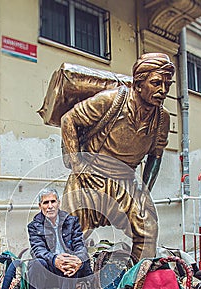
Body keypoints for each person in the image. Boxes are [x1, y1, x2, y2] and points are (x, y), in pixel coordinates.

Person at [61, 53, 175, 262]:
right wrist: (78, 166)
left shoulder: (162, 119)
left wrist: (144, 190)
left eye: (168, 85)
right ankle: (69, 288)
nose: (163, 91)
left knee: (148, 229)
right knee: (67, 236)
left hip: (126, 180)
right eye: (157, 83)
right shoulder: (112, 100)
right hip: (89, 177)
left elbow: (155, 157)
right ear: (139, 84)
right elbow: (68, 120)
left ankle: (135, 282)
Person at [26, 188, 96, 289]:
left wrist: (77, 260)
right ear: (40, 206)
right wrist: (55, 259)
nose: (50, 206)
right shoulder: (34, 226)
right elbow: (38, 250)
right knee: (35, 264)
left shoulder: (71, 221)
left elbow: (80, 246)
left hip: (70, 266)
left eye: (53, 201)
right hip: (50, 267)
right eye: (46, 202)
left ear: (58, 203)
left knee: (69, 266)